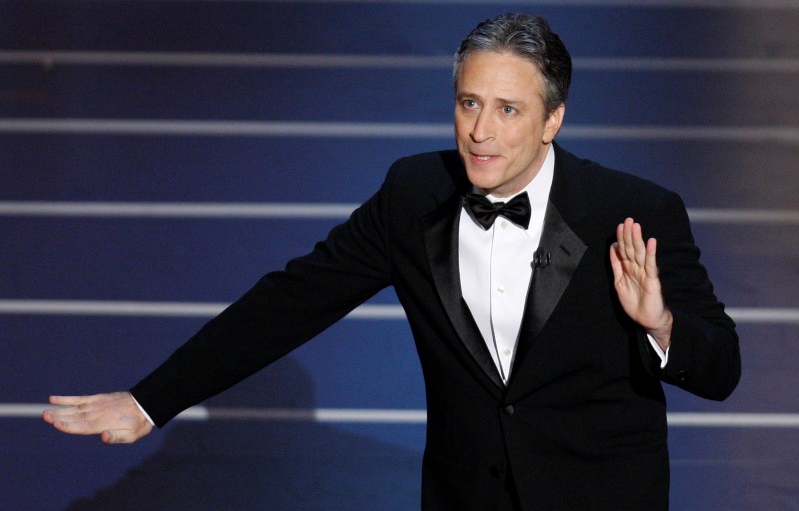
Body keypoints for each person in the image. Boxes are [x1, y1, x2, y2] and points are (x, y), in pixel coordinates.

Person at [43, 13, 740, 510]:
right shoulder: (415, 195)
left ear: (553, 120)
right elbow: (291, 301)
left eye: (507, 110)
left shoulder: (632, 210)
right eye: (469, 103)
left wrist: (661, 324)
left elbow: (722, 367)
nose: (480, 130)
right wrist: (149, 401)